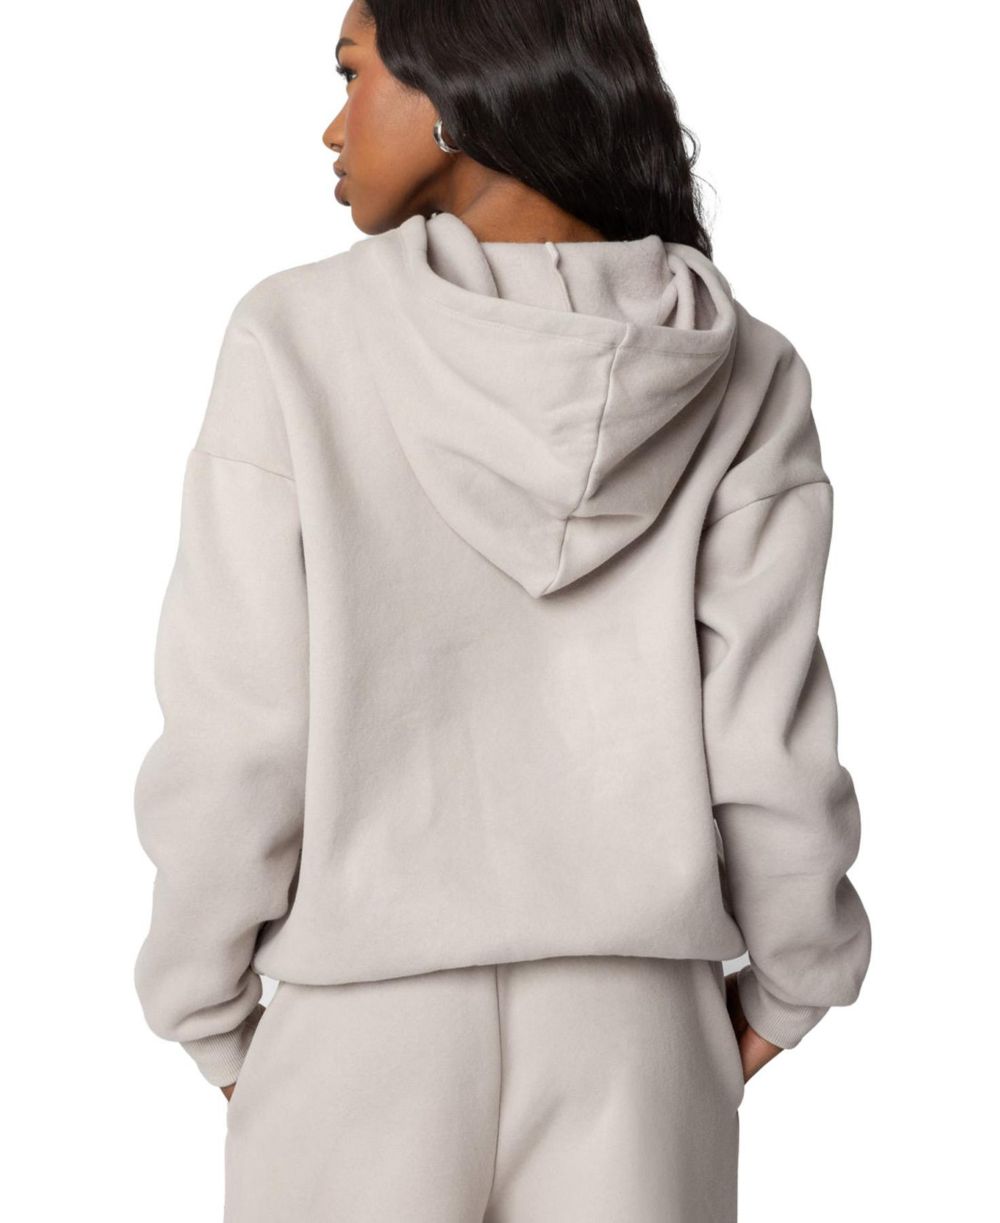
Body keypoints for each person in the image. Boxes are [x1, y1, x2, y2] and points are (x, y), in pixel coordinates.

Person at [132, 1, 873, 1219]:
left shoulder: (295, 340)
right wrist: (792, 982)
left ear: (456, 91)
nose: (332, 125)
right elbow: (768, 738)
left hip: (358, 1033)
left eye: (352, 74)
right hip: (636, 1040)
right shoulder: (744, 369)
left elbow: (239, 728)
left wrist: (205, 1006)